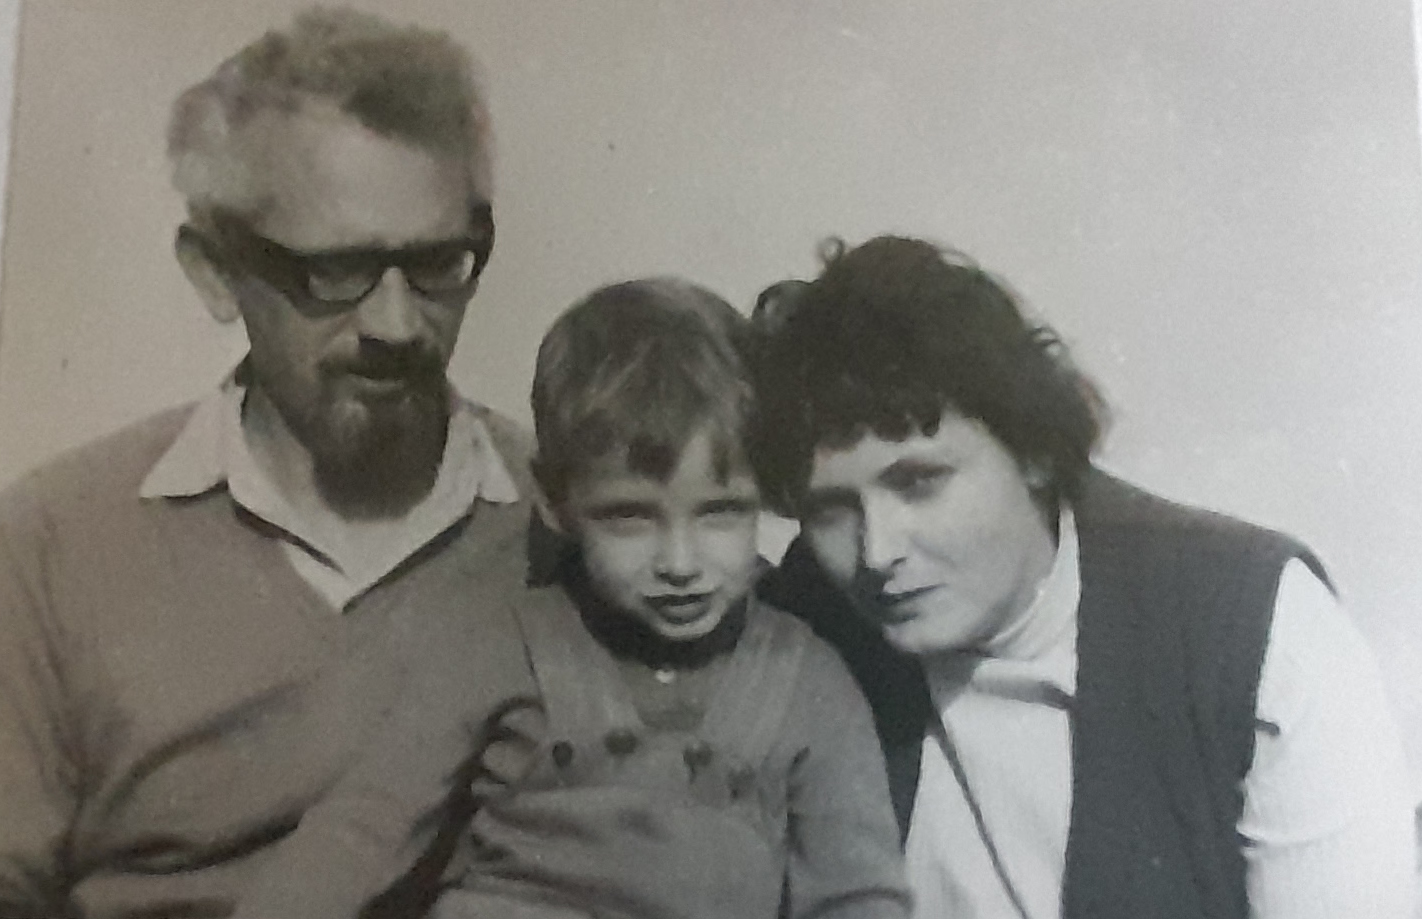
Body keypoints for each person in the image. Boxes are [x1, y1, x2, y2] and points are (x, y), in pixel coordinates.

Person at [0, 9, 542, 918]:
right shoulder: (50, 544)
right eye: (335, 271)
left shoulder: (577, 522)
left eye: (439, 262)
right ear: (215, 271)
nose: (397, 325)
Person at [753, 235, 1417, 919]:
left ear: (1034, 451)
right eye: (830, 509)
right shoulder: (801, 618)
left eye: (920, 482)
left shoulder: (1257, 621)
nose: (877, 550)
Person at [224, 277, 911, 919]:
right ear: (555, 500)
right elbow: (364, 829)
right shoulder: (502, 644)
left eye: (721, 512)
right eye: (630, 517)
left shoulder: (810, 686)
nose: (680, 563)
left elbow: (858, 896)